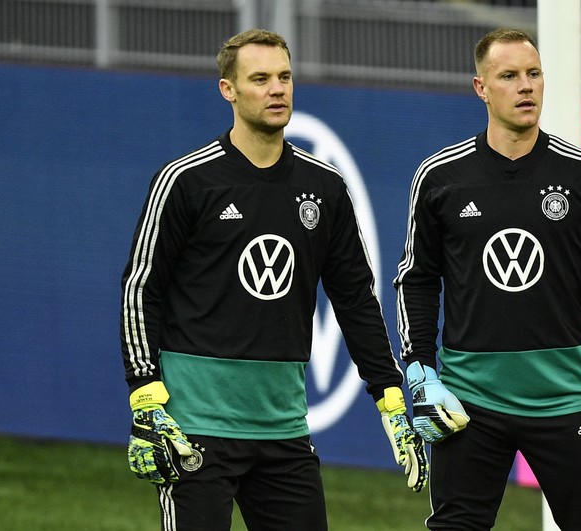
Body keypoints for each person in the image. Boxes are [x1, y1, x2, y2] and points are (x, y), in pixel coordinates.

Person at [120, 29, 427, 531]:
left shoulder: (324, 188)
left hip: (283, 430)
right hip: (192, 430)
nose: (277, 89)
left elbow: (354, 298)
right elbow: (141, 287)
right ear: (229, 90)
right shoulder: (187, 181)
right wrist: (144, 391)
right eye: (260, 79)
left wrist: (389, 395)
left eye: (284, 77)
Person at [393, 28, 581, 530]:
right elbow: (417, 280)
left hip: (566, 398)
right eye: (509, 76)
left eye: (534, 74)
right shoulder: (440, 177)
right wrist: (420, 371)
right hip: (470, 402)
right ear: (480, 87)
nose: (526, 86)